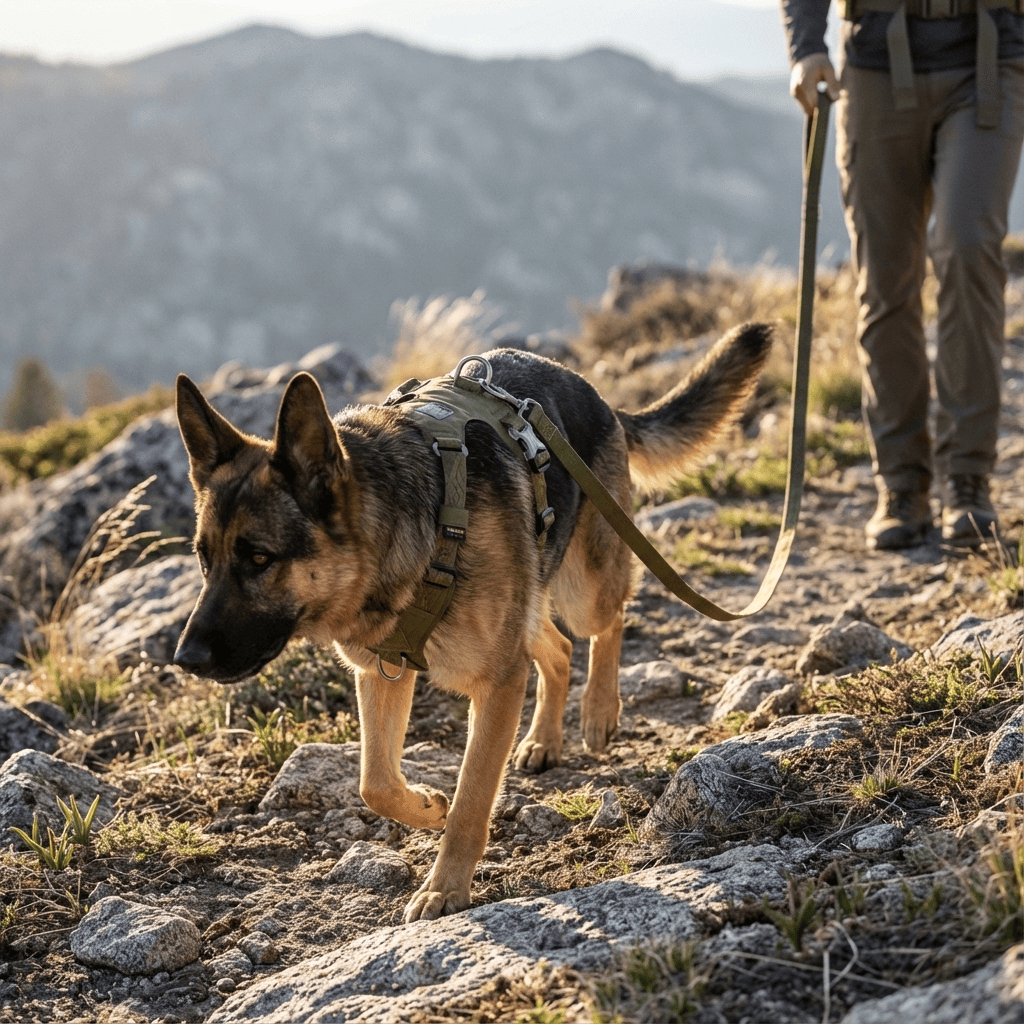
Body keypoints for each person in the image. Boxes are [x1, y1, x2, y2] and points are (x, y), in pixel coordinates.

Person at [780, 0, 1024, 549]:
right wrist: (808, 46)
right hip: (876, 62)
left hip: (990, 57)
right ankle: (902, 485)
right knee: (887, 281)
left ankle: (968, 480)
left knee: (967, 249)